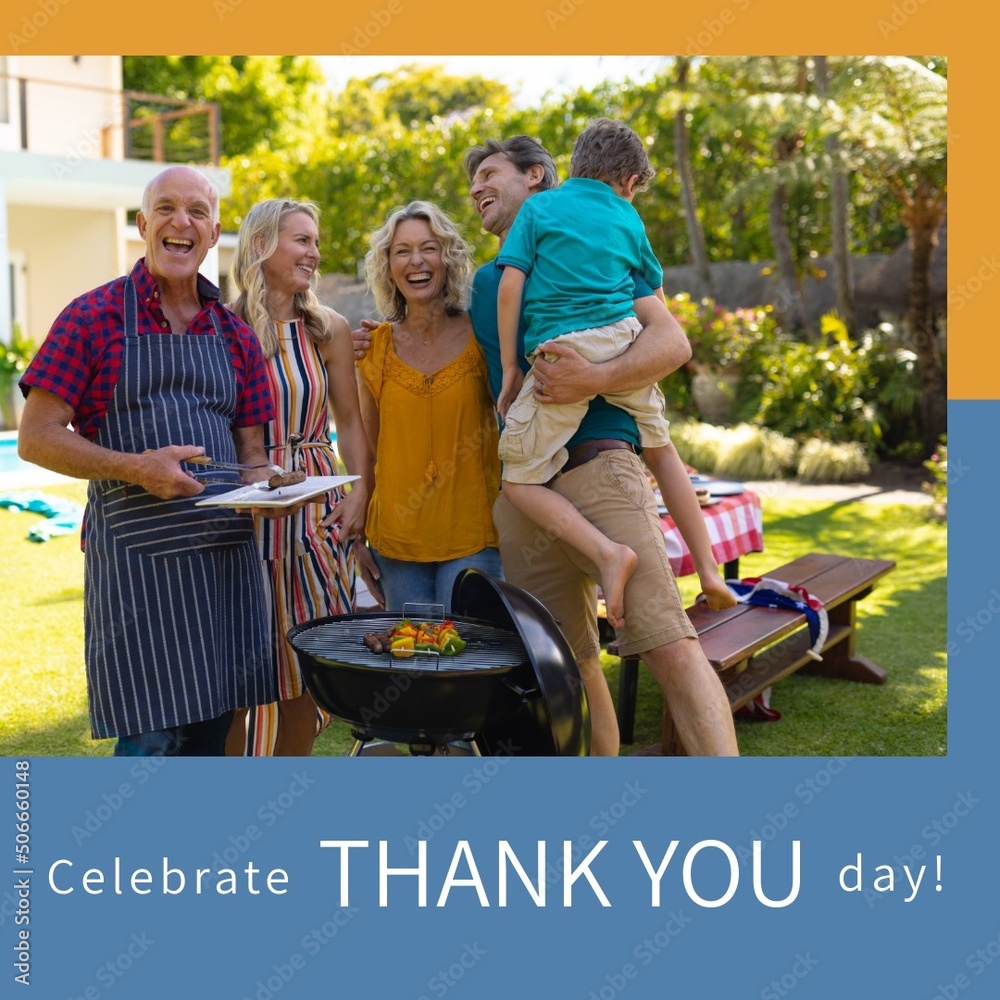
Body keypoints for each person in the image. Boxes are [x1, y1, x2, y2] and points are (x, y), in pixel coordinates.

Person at [463, 135, 739, 757]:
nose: (477, 187)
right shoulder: (489, 280)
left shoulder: (593, 253)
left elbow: (671, 341)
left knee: (668, 643)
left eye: (489, 173)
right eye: (471, 181)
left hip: (596, 468)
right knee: (571, 664)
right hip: (528, 500)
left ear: (537, 179)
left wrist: (596, 377)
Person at [17, 165, 282, 756]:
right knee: (150, 748)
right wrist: (136, 467)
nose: (179, 221)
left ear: (214, 234)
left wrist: (275, 488)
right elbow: (35, 437)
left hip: (224, 570)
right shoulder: (91, 318)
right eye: (165, 208)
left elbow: (253, 453)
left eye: (196, 212)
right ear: (142, 225)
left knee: (212, 744)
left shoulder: (233, 334)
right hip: (140, 573)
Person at [494, 119, 733, 629]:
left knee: (516, 479)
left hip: (563, 353)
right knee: (664, 452)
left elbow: (510, 285)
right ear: (628, 182)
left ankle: (606, 553)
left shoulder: (539, 208)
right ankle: (711, 571)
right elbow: (661, 312)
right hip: (624, 340)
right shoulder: (627, 218)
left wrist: (513, 366)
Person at [225, 198, 377, 757]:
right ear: (263, 245)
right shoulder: (225, 325)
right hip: (243, 511)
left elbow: (351, 425)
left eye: (316, 240)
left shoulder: (327, 329)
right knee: (240, 672)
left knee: (304, 670)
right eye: (302, 240)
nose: (315, 252)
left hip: (316, 510)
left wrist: (359, 493)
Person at [356, 200, 502, 611]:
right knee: (414, 662)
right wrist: (358, 536)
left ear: (448, 257)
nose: (416, 261)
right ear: (388, 266)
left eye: (429, 247)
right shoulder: (373, 348)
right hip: (396, 541)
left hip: (474, 533)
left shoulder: (482, 333)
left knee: (469, 661)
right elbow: (367, 452)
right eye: (402, 251)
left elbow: (514, 415)